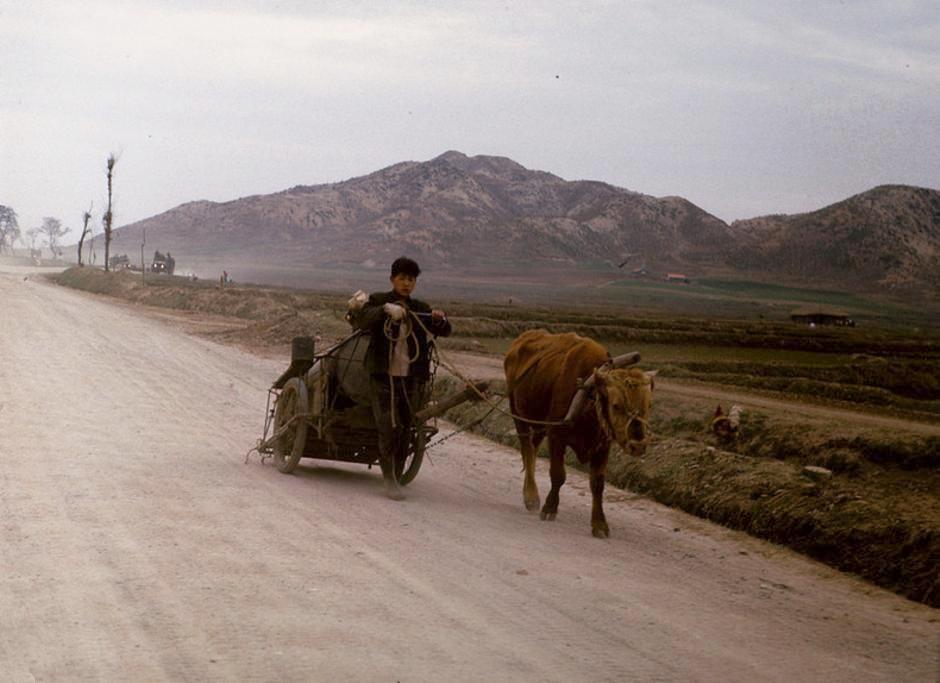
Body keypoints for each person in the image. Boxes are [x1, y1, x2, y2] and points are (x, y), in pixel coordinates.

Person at [352, 256, 451, 500]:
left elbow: (445, 331)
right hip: (382, 376)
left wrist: (441, 319)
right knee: (387, 425)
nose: (406, 284)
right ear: (392, 280)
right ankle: (389, 480)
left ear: (415, 282)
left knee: (407, 427)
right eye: (402, 279)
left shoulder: (420, 307)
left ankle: (395, 473)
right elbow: (361, 321)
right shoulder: (378, 300)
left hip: (411, 378)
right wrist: (385, 310)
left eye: (411, 279)